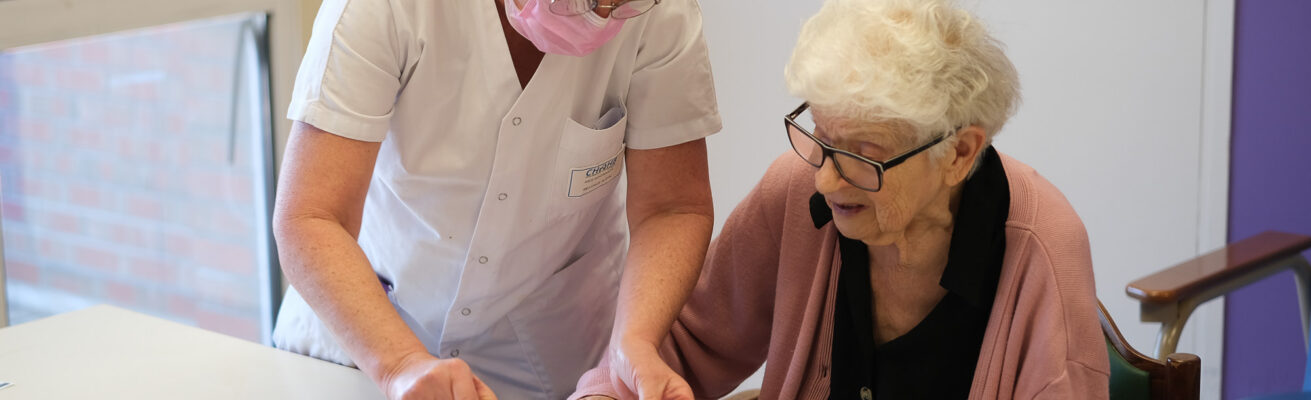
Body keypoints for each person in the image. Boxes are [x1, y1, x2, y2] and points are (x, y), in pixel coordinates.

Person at [571, 0, 1110, 398]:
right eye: (822, 138)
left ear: (960, 153)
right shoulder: (795, 193)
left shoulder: (1042, 247)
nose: (826, 181)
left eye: (864, 155)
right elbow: (678, 347)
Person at [270, 0, 721, 398]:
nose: (602, 12)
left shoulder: (663, 12)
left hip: (546, 361)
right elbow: (311, 215)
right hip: (364, 344)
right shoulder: (390, 8)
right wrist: (400, 364)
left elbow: (672, 207)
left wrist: (636, 342)